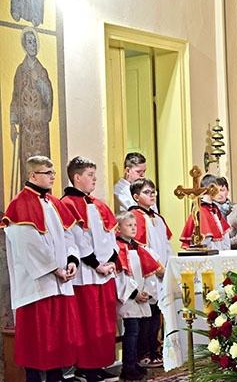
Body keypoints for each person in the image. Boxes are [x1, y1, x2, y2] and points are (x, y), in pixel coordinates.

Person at [0, 156, 80, 382]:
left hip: (60, 280)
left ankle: (56, 377)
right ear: (33, 175)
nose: (53, 176)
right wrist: (55, 268)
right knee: (36, 338)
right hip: (36, 284)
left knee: (57, 337)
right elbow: (28, 245)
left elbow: (68, 234)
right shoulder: (19, 204)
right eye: (48, 172)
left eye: (53, 171)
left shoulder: (54, 203)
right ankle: (33, 378)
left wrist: (72, 260)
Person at [60, 156, 119, 382]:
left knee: (104, 322)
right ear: (77, 177)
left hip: (105, 272)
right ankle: (85, 366)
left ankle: (99, 363)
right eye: (90, 175)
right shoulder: (67, 204)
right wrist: (97, 265)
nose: (95, 179)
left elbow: (110, 235)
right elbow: (76, 239)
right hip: (86, 274)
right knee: (87, 323)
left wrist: (112, 260)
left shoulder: (97, 203)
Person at [114, 211, 163, 381]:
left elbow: (148, 271)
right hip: (128, 298)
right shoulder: (117, 248)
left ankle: (134, 363)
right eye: (129, 225)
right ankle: (127, 367)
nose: (133, 228)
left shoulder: (138, 247)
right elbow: (121, 275)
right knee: (132, 331)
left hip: (141, 296)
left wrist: (147, 293)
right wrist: (134, 293)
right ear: (118, 228)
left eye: (135, 225)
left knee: (139, 330)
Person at [129, 178, 173, 368]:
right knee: (147, 313)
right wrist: (157, 267)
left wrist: (170, 265)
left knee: (157, 312)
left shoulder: (157, 217)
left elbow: (167, 243)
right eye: (147, 192)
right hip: (147, 272)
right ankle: (143, 352)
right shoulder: (135, 216)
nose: (152, 195)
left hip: (161, 269)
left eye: (154, 191)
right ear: (136, 196)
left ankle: (155, 349)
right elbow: (140, 247)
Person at [10, 27, 54, 189]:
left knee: (42, 162)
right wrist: (13, 123)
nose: (33, 45)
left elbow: (48, 96)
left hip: (40, 126)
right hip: (26, 126)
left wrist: (39, 82)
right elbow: (15, 96)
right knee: (27, 162)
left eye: (35, 41)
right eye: (30, 42)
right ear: (24, 45)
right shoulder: (20, 71)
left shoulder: (41, 71)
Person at [179, 174, 231, 250]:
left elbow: (224, 233)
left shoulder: (214, 209)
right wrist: (219, 252)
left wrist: (226, 250)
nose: (219, 193)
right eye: (217, 190)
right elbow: (205, 242)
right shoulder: (201, 212)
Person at [210, 176, 237, 249]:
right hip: (214, 248)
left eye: (222, 190)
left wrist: (230, 242)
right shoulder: (208, 209)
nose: (219, 194)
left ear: (227, 191)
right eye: (216, 191)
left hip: (234, 248)